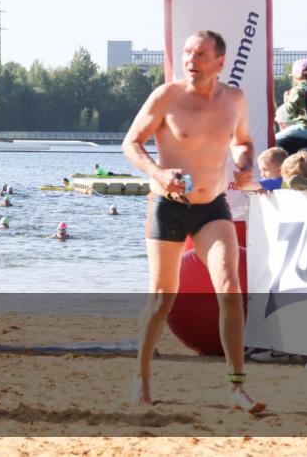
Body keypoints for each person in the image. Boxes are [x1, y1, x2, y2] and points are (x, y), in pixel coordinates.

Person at [122, 30, 263, 413]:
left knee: (231, 287)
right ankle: (142, 377)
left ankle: (236, 386)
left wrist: (246, 160)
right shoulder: (166, 96)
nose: (191, 60)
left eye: (200, 54)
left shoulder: (234, 99)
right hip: (168, 204)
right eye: (187, 53)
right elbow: (130, 143)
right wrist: (158, 172)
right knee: (162, 297)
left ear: (219, 63)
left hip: (211, 206)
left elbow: (244, 141)